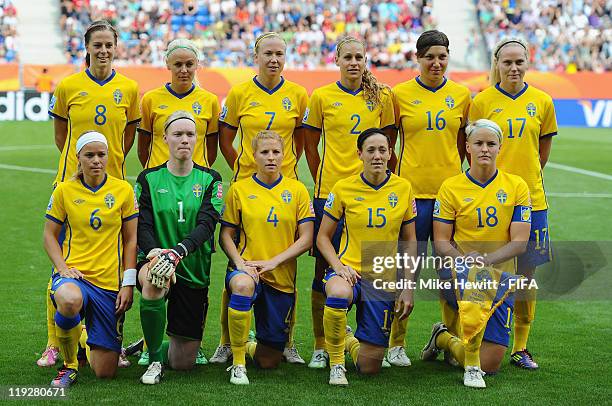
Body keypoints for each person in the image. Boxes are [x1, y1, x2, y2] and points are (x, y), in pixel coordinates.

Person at [40, 19, 140, 369]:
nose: (102, 50)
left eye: (108, 45)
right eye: (96, 45)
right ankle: (55, 343)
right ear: (87, 48)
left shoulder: (128, 88)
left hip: (113, 190)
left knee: (113, 266)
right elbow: (60, 136)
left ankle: (112, 338)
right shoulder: (68, 85)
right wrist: (76, 170)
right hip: (70, 185)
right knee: (63, 263)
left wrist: (109, 166)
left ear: (116, 47)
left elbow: (126, 138)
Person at [212, 32, 308, 365]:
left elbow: (301, 141)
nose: (274, 59)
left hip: (286, 188)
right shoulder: (240, 93)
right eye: (267, 53)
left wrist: (288, 176)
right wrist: (242, 170)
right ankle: (227, 341)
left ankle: (288, 340)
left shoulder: (297, 94)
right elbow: (226, 139)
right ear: (256, 56)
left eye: (279, 54)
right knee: (236, 264)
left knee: (287, 267)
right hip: (246, 188)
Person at [303, 36, 395, 369]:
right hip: (330, 191)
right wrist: (324, 181)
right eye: (348, 57)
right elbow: (310, 146)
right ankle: (320, 344)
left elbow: (388, 143)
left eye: (359, 57)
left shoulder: (382, 96)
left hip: (370, 193)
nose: (354, 62)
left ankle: (376, 339)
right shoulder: (322, 96)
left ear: (365, 60)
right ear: (337, 60)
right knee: (323, 268)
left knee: (374, 263)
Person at [422, 119, 532, 388]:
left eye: (491, 144)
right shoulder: (450, 187)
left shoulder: (517, 186)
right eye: (479, 143)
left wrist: (486, 261)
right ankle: (454, 341)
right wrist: (466, 263)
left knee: (491, 365)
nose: (485, 149)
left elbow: (520, 242)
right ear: (468, 147)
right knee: (477, 355)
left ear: (499, 148)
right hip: (463, 275)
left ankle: (442, 338)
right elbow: (441, 242)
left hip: (500, 279)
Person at [469, 37, 558, 369]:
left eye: (519, 61)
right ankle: (470, 335)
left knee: (525, 275)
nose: (514, 67)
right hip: (491, 202)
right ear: (497, 63)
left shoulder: (542, 101)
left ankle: (520, 347)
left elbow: (542, 152)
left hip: (531, 201)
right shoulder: (482, 102)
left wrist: (523, 184)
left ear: (527, 62)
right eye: (507, 62)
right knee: (485, 269)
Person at [389, 30, 472, 367]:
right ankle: (397, 343)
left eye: (442, 56)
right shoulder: (399, 95)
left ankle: (448, 339)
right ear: (418, 58)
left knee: (449, 274)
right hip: (411, 198)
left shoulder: (462, 95)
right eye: (429, 57)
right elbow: (387, 145)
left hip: (449, 202)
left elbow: (464, 145)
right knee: (404, 271)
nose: (436, 63)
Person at [317, 128, 417, 386]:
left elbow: (410, 241)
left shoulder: (403, 188)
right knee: (338, 293)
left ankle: (347, 338)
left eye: (382, 150)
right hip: (350, 272)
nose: (377, 155)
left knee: (369, 366)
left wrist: (407, 285)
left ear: (390, 153)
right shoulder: (343, 187)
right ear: (359, 154)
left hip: (383, 280)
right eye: (370, 150)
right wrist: (338, 266)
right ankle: (337, 363)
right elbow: (323, 238)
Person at [135, 110, 223, 385]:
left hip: (192, 269)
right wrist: (156, 254)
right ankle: (154, 361)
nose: (184, 139)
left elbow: (207, 225)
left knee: (183, 363)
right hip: (155, 259)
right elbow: (142, 224)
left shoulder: (211, 179)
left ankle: (150, 340)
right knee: (154, 279)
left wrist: (177, 253)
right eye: (177, 134)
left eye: (190, 134)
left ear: (197, 139)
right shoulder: (148, 178)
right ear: (165, 138)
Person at [44, 132, 138, 388]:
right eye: (90, 155)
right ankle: (69, 366)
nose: (96, 160)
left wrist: (127, 283)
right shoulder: (64, 191)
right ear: (79, 159)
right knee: (69, 300)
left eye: (101, 154)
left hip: (109, 284)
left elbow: (131, 240)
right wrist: (62, 269)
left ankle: (84, 337)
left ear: (108, 156)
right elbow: (49, 236)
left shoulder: (124, 190)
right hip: (76, 277)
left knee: (104, 372)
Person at [220, 130, 314, 385]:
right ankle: (238, 361)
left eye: (276, 152)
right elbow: (226, 234)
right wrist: (239, 264)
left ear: (284, 155)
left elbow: (306, 238)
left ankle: (247, 344)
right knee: (241, 285)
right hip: (247, 269)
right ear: (254, 155)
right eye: (264, 152)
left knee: (268, 361)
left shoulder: (297, 191)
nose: (271, 157)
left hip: (280, 276)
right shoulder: (239, 189)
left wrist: (274, 262)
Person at [138, 38, 220, 170]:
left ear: (197, 64)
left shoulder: (210, 101)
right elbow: (142, 149)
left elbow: (211, 151)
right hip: (159, 180)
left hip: (195, 182)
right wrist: (156, 173)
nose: (184, 70)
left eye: (189, 64)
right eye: (178, 64)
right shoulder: (150, 99)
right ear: (168, 64)